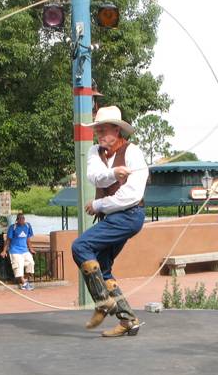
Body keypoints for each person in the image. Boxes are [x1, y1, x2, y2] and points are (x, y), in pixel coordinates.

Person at [72, 105, 149, 338]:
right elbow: (95, 176)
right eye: (98, 131)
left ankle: (103, 302)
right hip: (114, 217)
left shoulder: (133, 152)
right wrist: (114, 174)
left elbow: (132, 196)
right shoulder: (96, 152)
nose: (100, 135)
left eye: (104, 130)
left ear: (117, 130)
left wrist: (98, 205)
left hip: (129, 215)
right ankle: (128, 319)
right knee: (102, 268)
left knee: (81, 246)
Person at [0, 212, 36, 290]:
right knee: (19, 266)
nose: (22, 220)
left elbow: (28, 239)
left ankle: (24, 281)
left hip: (25, 250)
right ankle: (24, 283)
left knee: (31, 263)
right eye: (20, 218)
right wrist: (4, 251)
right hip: (15, 251)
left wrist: (31, 249)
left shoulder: (28, 226)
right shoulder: (13, 227)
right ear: (17, 220)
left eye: (23, 218)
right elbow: (8, 240)